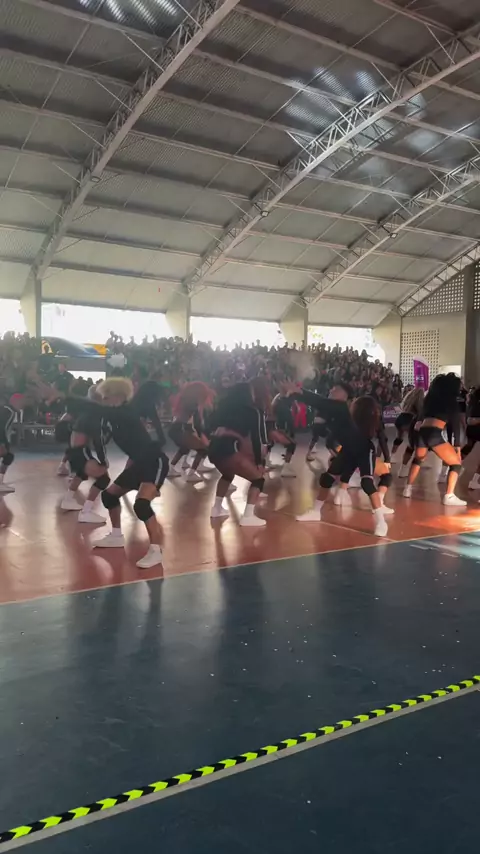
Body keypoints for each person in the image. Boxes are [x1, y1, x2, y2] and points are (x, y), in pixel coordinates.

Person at [91, 378, 169, 568]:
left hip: (154, 462)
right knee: (109, 496)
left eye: (106, 397)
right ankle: (116, 536)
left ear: (117, 396)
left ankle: (156, 551)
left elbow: (108, 414)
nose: (103, 401)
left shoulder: (126, 412)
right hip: (137, 463)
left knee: (141, 505)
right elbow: (103, 438)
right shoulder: (112, 417)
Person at [293, 391, 393, 537]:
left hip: (364, 450)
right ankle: (315, 512)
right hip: (348, 449)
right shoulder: (343, 416)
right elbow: (327, 427)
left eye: (355, 403)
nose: (352, 404)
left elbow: (320, 401)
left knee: (367, 483)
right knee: (327, 479)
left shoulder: (347, 414)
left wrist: (299, 393)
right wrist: (298, 394)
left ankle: (381, 522)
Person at [208, 382, 267, 526]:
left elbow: (207, 427)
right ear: (248, 394)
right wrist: (259, 462)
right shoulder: (253, 411)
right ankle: (248, 516)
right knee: (258, 479)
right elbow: (257, 439)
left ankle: (216, 508)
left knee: (227, 474)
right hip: (231, 449)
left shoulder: (222, 408)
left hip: (213, 450)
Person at [402, 373, 466, 505]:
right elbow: (455, 425)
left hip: (422, 432)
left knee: (418, 459)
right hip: (433, 433)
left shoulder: (430, 399)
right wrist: (457, 447)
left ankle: (407, 489)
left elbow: (421, 417)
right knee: (456, 464)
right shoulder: (451, 401)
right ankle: (449, 496)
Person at [61, 389, 111, 523]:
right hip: (80, 450)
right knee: (103, 479)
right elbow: (98, 440)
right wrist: (103, 460)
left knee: (81, 474)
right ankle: (86, 512)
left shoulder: (84, 412)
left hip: (74, 450)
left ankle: (68, 500)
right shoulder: (96, 414)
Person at [168, 382, 214, 482]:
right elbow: (196, 424)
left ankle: (171, 469)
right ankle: (191, 474)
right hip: (181, 430)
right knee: (203, 449)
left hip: (175, 430)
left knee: (185, 448)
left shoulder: (185, 400)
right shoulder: (193, 405)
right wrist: (202, 438)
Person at [461, 386, 480, 489]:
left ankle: (452, 468)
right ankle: (474, 481)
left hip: (471, 429)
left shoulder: (473, 399)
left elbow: (469, 418)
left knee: (467, 448)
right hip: (476, 428)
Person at [0, 403, 15, 493]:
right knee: (8, 456)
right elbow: (1, 427)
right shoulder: (8, 411)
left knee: (8, 456)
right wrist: (2, 443)